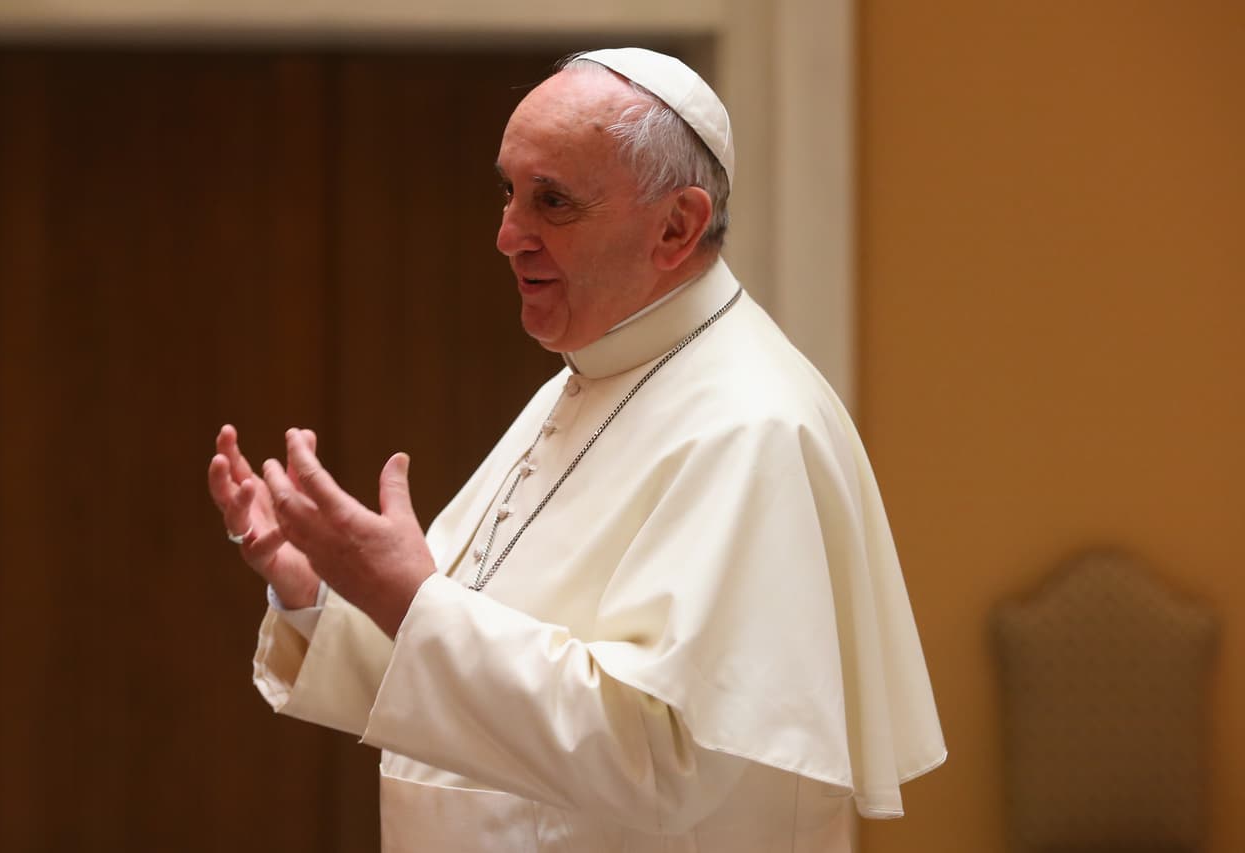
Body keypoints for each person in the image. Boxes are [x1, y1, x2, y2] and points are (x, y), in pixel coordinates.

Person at [208, 47, 945, 851]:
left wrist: (409, 600)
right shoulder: (591, 376)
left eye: (552, 201)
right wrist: (322, 591)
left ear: (677, 225)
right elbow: (465, 679)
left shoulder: (751, 425)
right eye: (508, 191)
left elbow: (665, 759)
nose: (506, 236)